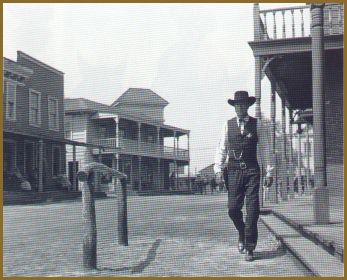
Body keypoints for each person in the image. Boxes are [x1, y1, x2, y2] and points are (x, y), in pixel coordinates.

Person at [214, 90, 273, 262]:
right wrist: (218, 169)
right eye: (237, 105)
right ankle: (242, 232)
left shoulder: (258, 124)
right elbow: (221, 149)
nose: (240, 107)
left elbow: (265, 149)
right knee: (233, 209)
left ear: (248, 106)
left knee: (253, 210)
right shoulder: (227, 125)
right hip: (232, 171)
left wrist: (269, 171)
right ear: (234, 107)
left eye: (243, 104)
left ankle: (249, 246)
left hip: (252, 170)